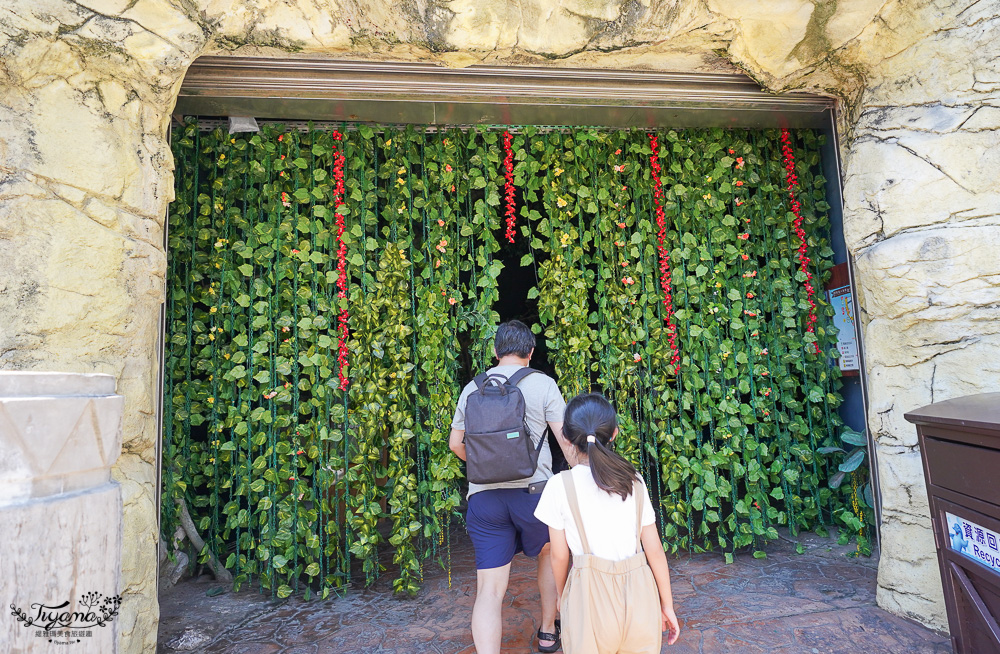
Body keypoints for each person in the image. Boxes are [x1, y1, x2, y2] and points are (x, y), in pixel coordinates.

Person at [449, 320, 566, 654]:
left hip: (485, 500)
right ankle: (547, 632)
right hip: (535, 498)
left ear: (495, 351)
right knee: (548, 555)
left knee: (489, 589)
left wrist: (484, 467)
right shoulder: (543, 384)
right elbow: (565, 443)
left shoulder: (473, 388)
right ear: (530, 352)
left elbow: (455, 443)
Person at [534, 393, 681, 653]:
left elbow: (558, 556)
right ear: (614, 434)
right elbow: (655, 551)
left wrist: (562, 594)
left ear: (566, 438)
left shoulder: (560, 486)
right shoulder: (634, 480)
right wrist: (666, 605)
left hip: (588, 599)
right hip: (640, 598)